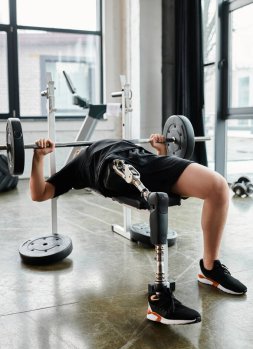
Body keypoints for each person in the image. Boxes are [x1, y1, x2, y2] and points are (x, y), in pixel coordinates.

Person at [30, 135, 247, 325]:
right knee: (142, 189)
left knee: (219, 186)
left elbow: (157, 166)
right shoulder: (78, 165)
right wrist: (38, 157)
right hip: (113, 169)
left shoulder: (123, 141)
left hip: (147, 160)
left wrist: (161, 149)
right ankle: (159, 299)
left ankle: (210, 267)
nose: (77, 151)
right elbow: (39, 194)